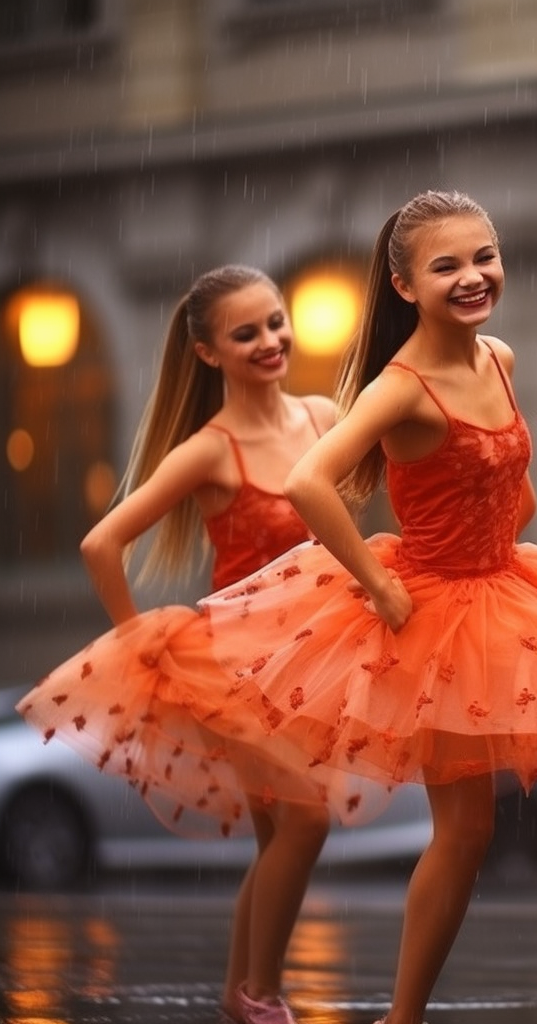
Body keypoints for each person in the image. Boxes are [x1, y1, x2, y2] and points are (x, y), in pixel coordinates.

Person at [195, 190, 537, 1024]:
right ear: (403, 286)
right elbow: (309, 482)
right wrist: (375, 581)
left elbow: (512, 482)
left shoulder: (499, 356)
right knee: (462, 832)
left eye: (484, 256)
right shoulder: (402, 386)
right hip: (430, 611)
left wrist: (508, 530)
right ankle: (399, 1015)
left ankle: (406, 1013)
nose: (473, 276)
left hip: (502, 587)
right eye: (447, 265)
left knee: (469, 834)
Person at [18, 264, 344, 1024]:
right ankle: (263, 993)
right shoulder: (209, 450)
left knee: (278, 841)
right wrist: (136, 637)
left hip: (317, 656)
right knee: (307, 822)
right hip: (239, 668)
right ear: (208, 354)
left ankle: (242, 996)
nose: (270, 340)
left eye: (274, 322)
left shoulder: (327, 418)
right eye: (245, 333)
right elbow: (103, 543)